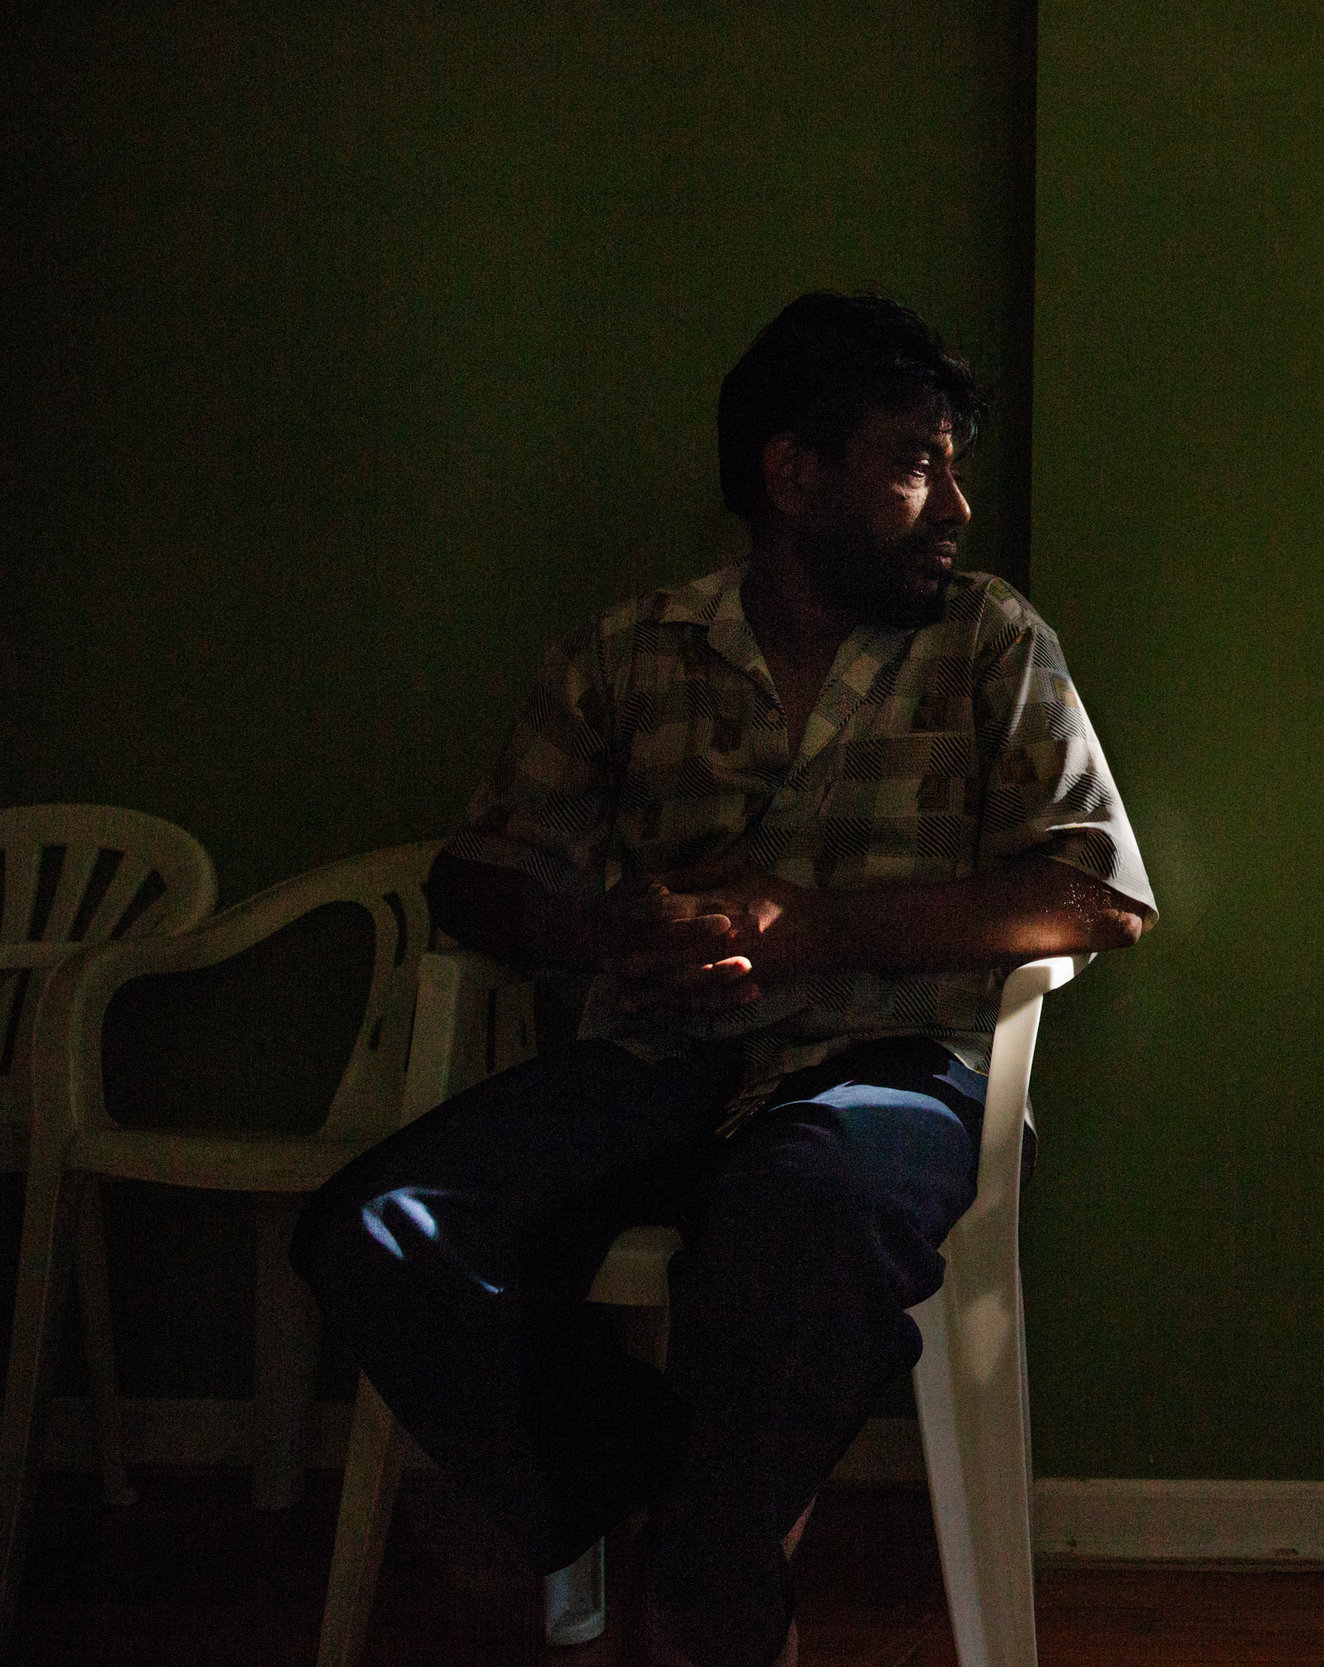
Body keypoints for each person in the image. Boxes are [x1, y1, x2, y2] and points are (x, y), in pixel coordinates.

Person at [292, 292, 1155, 1667]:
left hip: (888, 1069)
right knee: (375, 1229)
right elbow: (475, 878)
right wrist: (603, 931)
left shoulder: (991, 641)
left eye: (952, 463)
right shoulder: (630, 650)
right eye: (914, 461)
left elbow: (1092, 894)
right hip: (656, 1056)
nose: (958, 506)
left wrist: (819, 926)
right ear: (792, 470)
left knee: (803, 1215)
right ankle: (676, 1497)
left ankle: (701, 1596)